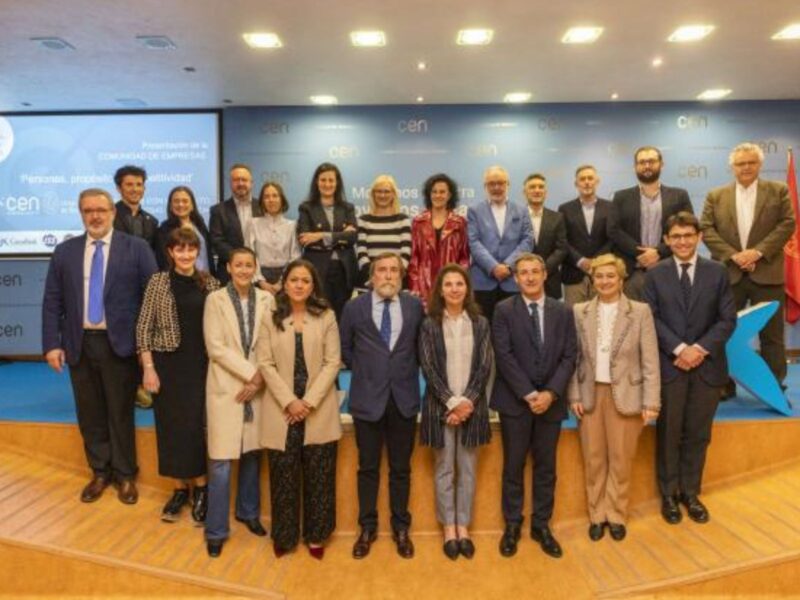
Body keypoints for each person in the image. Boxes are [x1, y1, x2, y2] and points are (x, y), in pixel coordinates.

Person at [42, 188, 157, 504]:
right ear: (81, 213)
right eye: (88, 210)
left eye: (101, 210)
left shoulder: (137, 248)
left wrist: (148, 348)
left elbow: (153, 298)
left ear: (113, 213)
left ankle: (125, 475)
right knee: (90, 413)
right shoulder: (65, 252)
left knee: (120, 411)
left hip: (120, 345)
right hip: (79, 344)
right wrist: (52, 344)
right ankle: (100, 471)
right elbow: (53, 300)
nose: (95, 215)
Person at [644, 212, 737, 525]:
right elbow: (651, 319)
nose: (682, 242)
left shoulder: (718, 271)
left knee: (698, 434)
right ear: (667, 241)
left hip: (707, 368)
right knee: (669, 433)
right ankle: (668, 494)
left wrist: (698, 349)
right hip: (670, 366)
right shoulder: (655, 274)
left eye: (688, 235)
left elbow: (727, 319)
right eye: (676, 237)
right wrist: (680, 349)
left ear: (699, 237)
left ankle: (690, 492)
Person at [568, 254, 660, 542]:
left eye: (610, 276)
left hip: (628, 395)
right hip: (589, 394)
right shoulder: (579, 311)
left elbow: (650, 360)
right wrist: (573, 394)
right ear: (592, 280)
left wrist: (651, 401)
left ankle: (616, 514)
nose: (604, 281)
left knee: (620, 459)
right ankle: (596, 515)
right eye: (599, 277)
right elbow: (573, 359)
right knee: (594, 460)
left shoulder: (640, 311)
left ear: (621, 280)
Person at [491, 253, 577, 559]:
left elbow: (570, 355)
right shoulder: (503, 310)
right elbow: (504, 355)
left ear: (544, 275)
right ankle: (512, 525)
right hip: (515, 402)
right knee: (513, 466)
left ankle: (541, 525)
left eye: (535, 272)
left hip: (551, 404)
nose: (529, 277)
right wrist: (529, 394)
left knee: (546, 467)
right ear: (515, 278)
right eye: (523, 273)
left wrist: (551, 393)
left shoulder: (563, 311)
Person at [340, 252, 425, 560]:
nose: (388, 275)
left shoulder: (415, 306)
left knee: (401, 469)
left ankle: (401, 528)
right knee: (368, 468)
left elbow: (420, 348)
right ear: (372, 276)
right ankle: (367, 528)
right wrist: (370, 370)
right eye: (382, 271)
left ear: (401, 277)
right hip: (367, 400)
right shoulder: (353, 308)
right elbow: (345, 349)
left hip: (403, 400)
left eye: (394, 270)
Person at [256, 259, 342, 559]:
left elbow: (334, 362)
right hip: (282, 408)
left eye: (306, 280)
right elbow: (264, 362)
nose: (299, 285)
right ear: (285, 282)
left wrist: (308, 402)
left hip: (317, 407)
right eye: (294, 280)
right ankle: (285, 536)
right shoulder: (270, 316)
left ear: (313, 285)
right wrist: (289, 400)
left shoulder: (327, 315)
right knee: (283, 475)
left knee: (320, 474)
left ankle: (317, 536)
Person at [137, 228, 220, 524]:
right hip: (167, 366)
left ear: (198, 252)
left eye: (191, 249)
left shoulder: (211, 284)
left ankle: (201, 489)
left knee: (196, 428)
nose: (185, 254)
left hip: (202, 367)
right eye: (179, 249)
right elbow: (144, 328)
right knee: (170, 428)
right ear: (170, 252)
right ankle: (178, 491)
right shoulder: (157, 282)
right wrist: (149, 368)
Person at [700, 142, 795, 392]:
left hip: (768, 274)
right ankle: (723, 384)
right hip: (728, 275)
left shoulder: (778, 191)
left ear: (760, 164)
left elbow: (788, 224)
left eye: (751, 162)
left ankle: (774, 384)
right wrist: (734, 256)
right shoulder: (715, 195)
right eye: (741, 163)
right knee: (724, 334)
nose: (746, 167)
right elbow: (706, 230)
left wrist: (757, 252)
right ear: (732, 167)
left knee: (772, 335)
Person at [418, 264, 492, 560]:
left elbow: (485, 365)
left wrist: (467, 403)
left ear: (467, 289)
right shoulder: (429, 324)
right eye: (448, 284)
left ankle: (464, 526)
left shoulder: (480, 322)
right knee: (445, 469)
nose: (454, 289)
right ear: (440, 290)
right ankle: (449, 527)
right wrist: (452, 403)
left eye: (459, 284)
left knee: (468, 470)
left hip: (472, 409)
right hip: (441, 409)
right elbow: (428, 366)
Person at [203, 247, 273, 558]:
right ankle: (216, 530)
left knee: (252, 454)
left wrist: (259, 379)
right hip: (227, 385)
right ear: (229, 268)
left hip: (259, 386)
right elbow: (215, 347)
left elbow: (271, 342)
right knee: (220, 462)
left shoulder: (268, 300)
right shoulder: (214, 300)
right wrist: (251, 375)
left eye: (249, 265)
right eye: (238, 265)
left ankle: (249, 512)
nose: (244, 270)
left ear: (255, 268)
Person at [609, 147, 693, 300]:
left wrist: (658, 252)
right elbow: (614, 230)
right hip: (632, 273)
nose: (647, 166)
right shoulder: (621, 197)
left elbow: (688, 230)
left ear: (661, 164)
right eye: (642, 162)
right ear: (635, 167)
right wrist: (641, 254)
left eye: (652, 161)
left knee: (670, 319)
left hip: (669, 270)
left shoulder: (679, 195)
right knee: (632, 322)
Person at [468, 166, 534, 320]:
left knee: (515, 328)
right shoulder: (474, 210)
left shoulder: (522, 210)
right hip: (483, 282)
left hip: (513, 281)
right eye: (491, 183)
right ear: (485, 186)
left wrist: (508, 265)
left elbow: (527, 240)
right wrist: (493, 267)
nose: (496, 187)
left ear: (508, 185)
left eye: (500, 183)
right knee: (484, 328)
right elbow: (473, 241)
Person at [297, 162, 358, 320]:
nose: (327, 184)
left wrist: (319, 235)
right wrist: (340, 236)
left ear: (337, 183)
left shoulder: (347, 208)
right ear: (317, 182)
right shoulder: (306, 208)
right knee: (319, 315)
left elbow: (352, 238)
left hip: (344, 270)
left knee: (342, 316)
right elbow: (304, 239)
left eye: (331, 180)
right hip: (318, 269)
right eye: (323, 180)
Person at [407, 173, 470, 308]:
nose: (438, 195)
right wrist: (416, 285)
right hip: (423, 285)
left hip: (450, 286)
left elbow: (464, 258)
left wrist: (457, 283)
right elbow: (414, 258)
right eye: (434, 192)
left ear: (449, 195)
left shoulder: (460, 223)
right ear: (429, 195)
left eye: (442, 192)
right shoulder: (418, 222)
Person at [559, 165, 614, 306]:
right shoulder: (564, 209)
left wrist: (596, 261)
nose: (587, 182)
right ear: (576, 184)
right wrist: (581, 260)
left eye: (590, 178)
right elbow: (562, 240)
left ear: (597, 181)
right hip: (573, 273)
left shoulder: (611, 207)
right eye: (582, 179)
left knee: (602, 319)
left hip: (602, 275)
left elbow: (613, 237)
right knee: (574, 321)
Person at [209, 163, 263, 283]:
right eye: (236, 180)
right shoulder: (218, 210)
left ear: (251, 183)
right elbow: (217, 241)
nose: (240, 183)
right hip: (229, 274)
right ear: (230, 183)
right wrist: (241, 262)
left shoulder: (263, 207)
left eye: (244, 179)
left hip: (261, 274)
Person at [356, 174, 412, 288]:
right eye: (379, 191)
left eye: (387, 191)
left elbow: (406, 253)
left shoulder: (403, 220)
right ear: (373, 194)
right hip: (370, 281)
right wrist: (374, 276)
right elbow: (361, 253)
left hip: (396, 282)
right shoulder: (363, 220)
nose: (382, 195)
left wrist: (394, 276)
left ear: (393, 195)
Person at [252, 181, 301, 295]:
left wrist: (281, 282)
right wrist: (260, 281)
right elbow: (250, 254)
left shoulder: (292, 225)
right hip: (260, 277)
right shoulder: (253, 224)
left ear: (282, 199)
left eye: (275, 196)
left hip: (286, 277)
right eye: (266, 197)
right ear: (262, 201)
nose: (271, 200)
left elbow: (295, 256)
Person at [523, 173, 567, 299]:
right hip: (523, 280)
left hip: (550, 278)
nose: (537, 190)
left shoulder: (557, 217)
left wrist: (542, 269)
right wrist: (530, 270)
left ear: (546, 192)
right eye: (532, 187)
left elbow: (562, 248)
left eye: (541, 187)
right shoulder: (516, 217)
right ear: (524, 192)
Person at [155, 185, 215, 276]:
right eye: (176, 201)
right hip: (180, 280)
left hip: (205, 279)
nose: (180, 204)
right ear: (170, 206)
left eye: (185, 201)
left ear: (192, 206)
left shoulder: (199, 224)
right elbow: (164, 260)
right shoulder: (164, 229)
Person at [112, 165, 159, 255]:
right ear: (118, 188)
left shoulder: (152, 222)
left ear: (144, 188)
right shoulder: (108, 216)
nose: (135, 189)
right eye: (129, 185)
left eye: (139, 185)